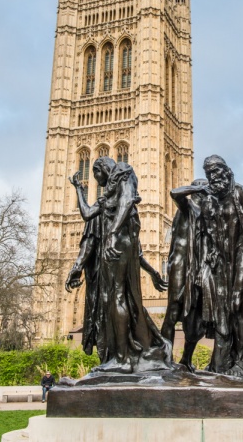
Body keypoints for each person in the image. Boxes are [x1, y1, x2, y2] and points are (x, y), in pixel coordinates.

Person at [65, 157, 172, 374]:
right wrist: (79, 189)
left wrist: (112, 233)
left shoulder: (124, 171)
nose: (97, 181)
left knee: (118, 298)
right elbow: (86, 213)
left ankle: (122, 359)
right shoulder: (106, 200)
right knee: (120, 300)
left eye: (97, 175)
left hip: (116, 247)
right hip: (119, 248)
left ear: (103, 169)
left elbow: (127, 201)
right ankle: (123, 353)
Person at [200, 155, 243, 375]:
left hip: (241, 258)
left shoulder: (241, 193)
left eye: (215, 171)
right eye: (208, 173)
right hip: (221, 265)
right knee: (222, 313)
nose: (212, 177)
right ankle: (222, 362)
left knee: (239, 306)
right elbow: (208, 234)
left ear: (225, 171)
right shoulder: (210, 200)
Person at [161, 179, 209, 371]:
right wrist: (199, 187)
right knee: (173, 310)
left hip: (198, 269)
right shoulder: (187, 206)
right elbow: (174, 192)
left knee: (197, 315)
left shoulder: (206, 214)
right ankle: (165, 357)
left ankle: (186, 360)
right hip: (180, 266)